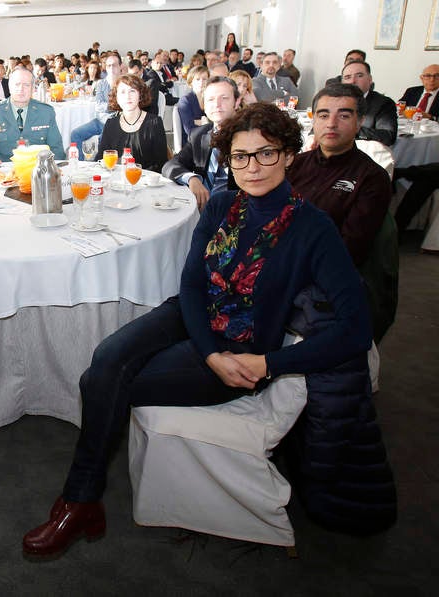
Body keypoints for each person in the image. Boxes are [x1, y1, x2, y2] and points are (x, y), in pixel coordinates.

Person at [22, 102, 371, 559]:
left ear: (289, 155)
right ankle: (83, 501)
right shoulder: (222, 204)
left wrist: (268, 364)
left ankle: (78, 502)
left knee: (100, 383)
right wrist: (207, 351)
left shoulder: (313, 228)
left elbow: (356, 328)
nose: (252, 167)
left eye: (266, 153)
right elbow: (190, 283)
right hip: (193, 320)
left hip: (242, 349)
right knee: (106, 360)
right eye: (240, 156)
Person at [288, 84, 391, 267]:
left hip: (324, 269)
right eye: (323, 115)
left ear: (359, 122)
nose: (331, 124)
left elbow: (351, 247)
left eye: (344, 116)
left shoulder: (372, 178)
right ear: (313, 120)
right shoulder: (294, 164)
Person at [163, 76, 239, 208]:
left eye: (224, 98)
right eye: (211, 99)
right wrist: (192, 178)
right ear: (204, 105)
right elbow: (171, 165)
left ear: (236, 102)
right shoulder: (199, 134)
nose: (217, 104)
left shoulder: (248, 137)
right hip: (202, 207)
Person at [0, 67, 65, 166]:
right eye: (17, 84)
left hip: (38, 169)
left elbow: (57, 150)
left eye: (26, 85)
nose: (21, 89)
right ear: (9, 86)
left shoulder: (46, 112)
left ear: (33, 88)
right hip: (4, 170)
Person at [93, 75, 167, 173]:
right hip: (115, 178)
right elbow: (101, 159)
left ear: (140, 95)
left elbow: (161, 164)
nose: (127, 96)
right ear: (117, 98)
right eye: (122, 92)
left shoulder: (154, 123)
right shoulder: (111, 124)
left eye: (132, 91)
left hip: (145, 180)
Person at [69, 53, 122, 155]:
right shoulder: (101, 83)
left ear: (120, 66)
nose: (111, 68)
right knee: (75, 134)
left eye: (114, 65)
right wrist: (114, 105)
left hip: (115, 123)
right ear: (105, 67)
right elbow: (98, 105)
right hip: (100, 120)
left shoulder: (124, 83)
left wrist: (109, 106)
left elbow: (123, 107)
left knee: (103, 141)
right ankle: (79, 163)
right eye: (109, 65)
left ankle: (97, 162)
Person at [341, 60, 397, 146]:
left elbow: (387, 136)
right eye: (347, 77)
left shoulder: (383, 103)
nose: (352, 81)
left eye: (359, 76)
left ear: (370, 79)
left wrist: (351, 130)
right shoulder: (335, 101)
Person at [176, 65, 209, 145]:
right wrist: (206, 123)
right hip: (192, 144)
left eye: (204, 79)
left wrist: (200, 122)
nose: (201, 82)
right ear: (191, 83)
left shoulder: (210, 99)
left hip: (209, 140)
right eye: (197, 79)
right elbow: (190, 130)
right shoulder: (185, 100)